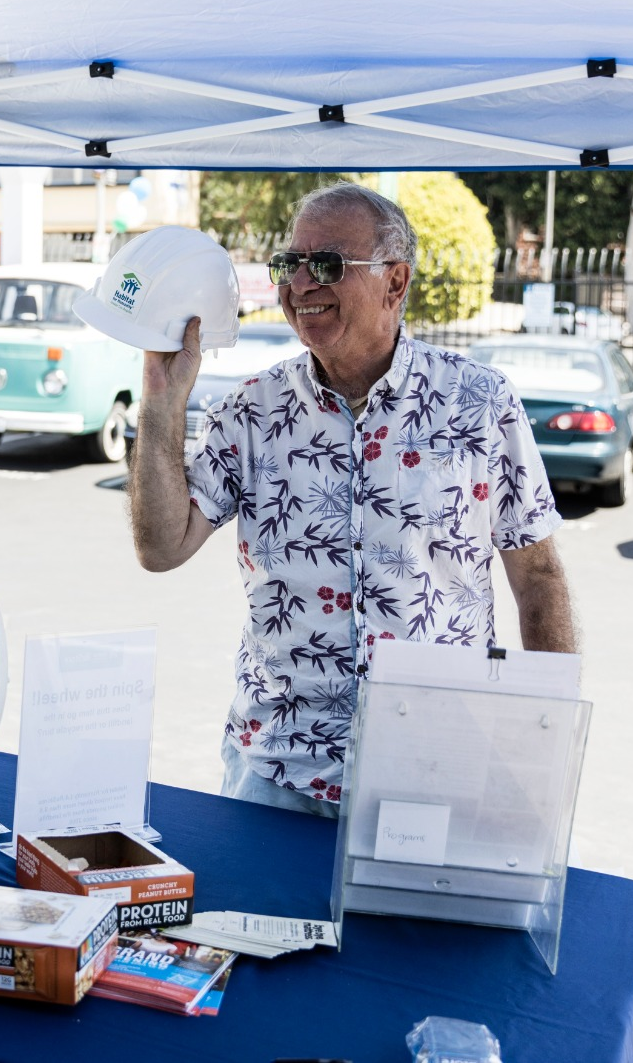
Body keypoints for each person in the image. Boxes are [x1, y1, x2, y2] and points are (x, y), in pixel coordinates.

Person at [129, 183, 576, 817]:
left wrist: (546, 743)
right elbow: (159, 547)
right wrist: (160, 401)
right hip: (279, 768)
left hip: (435, 767)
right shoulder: (251, 411)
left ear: (396, 283)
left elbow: (538, 577)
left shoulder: (479, 402)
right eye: (290, 265)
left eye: (328, 265)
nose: (300, 284)